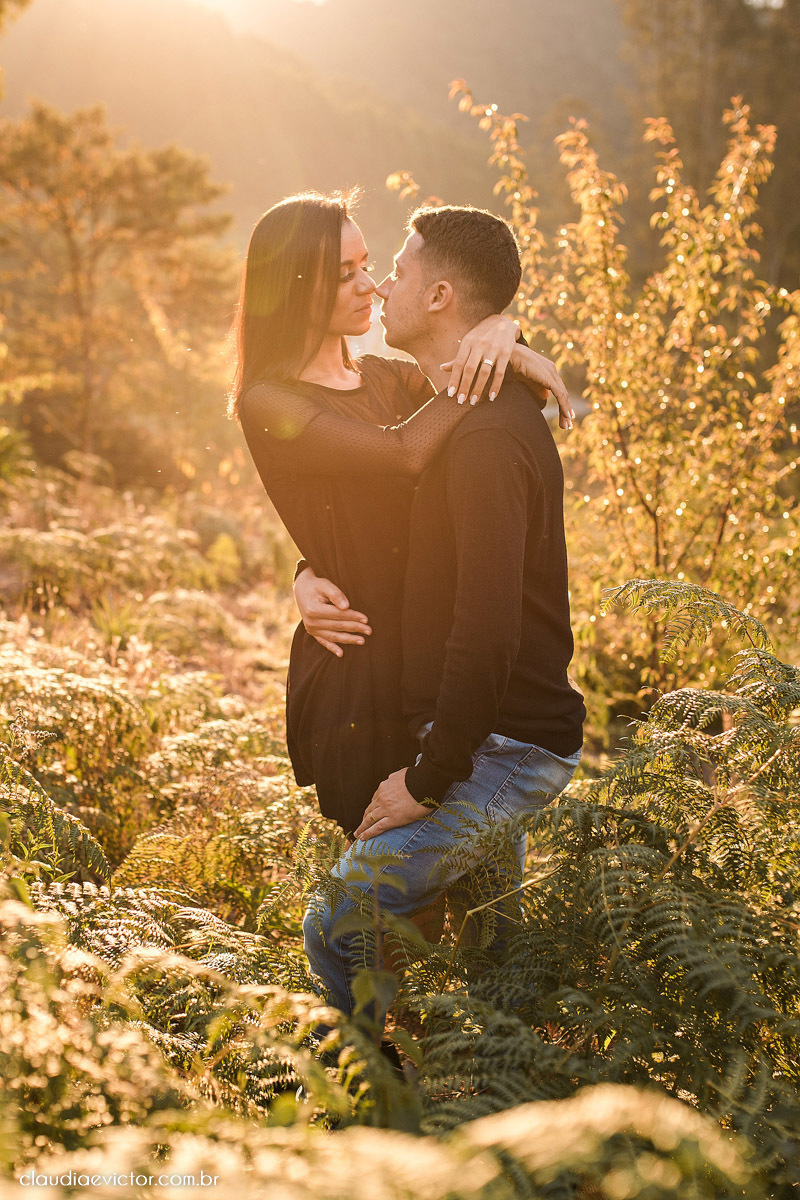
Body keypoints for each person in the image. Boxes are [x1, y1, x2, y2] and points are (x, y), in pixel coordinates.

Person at [300, 206, 586, 1025]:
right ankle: (518, 1094)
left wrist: (429, 779)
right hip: (484, 735)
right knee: (499, 953)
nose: (383, 282)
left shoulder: (487, 438)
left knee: (338, 919)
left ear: (441, 297)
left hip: (500, 747)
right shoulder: (452, 410)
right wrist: (304, 573)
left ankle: (371, 1097)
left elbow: (489, 627)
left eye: (397, 266)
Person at [232, 190, 573, 839]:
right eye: (346, 275)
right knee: (386, 918)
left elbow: (407, 493)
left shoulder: (389, 378)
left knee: (469, 904)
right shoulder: (269, 401)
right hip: (360, 673)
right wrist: (497, 349)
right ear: (295, 287)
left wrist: (501, 332)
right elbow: (405, 453)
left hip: (435, 669)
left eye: (368, 265)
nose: (373, 288)